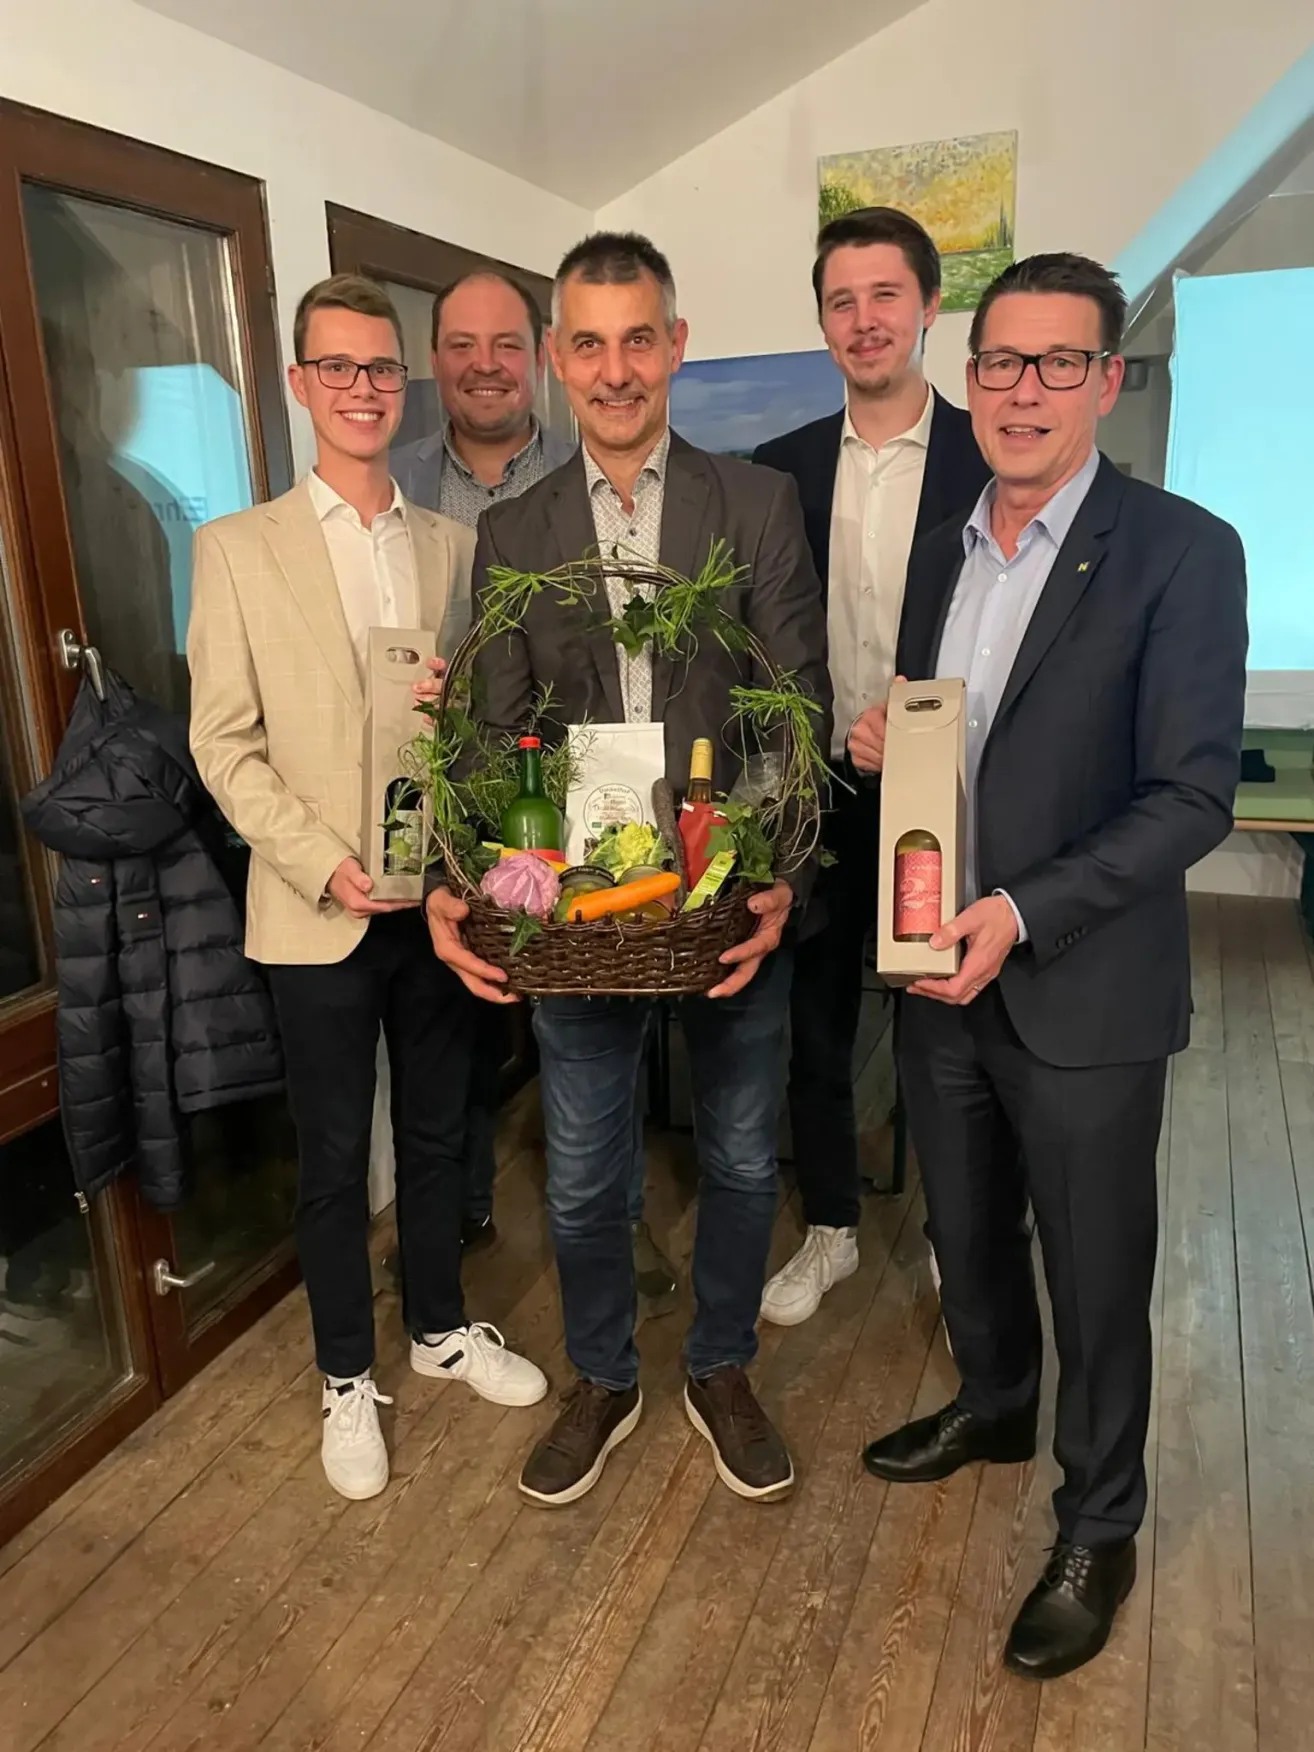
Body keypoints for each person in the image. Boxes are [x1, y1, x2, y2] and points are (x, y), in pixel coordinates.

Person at [859, 253, 1247, 1678]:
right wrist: (890, 747)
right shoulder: (940, 544)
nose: (1021, 393)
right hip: (930, 969)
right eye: (999, 363)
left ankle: (1099, 1521)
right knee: (963, 1231)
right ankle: (994, 1404)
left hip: (1075, 984)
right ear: (967, 380)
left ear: (1106, 379)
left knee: (1095, 1272)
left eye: (1056, 364)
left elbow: (1190, 797)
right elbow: (956, 737)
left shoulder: (1181, 551)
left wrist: (1022, 909)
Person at [425, 232, 832, 1507]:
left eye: (637, 338)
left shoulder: (755, 505)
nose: (614, 369)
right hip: (584, 926)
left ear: (676, 345)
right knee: (590, 1172)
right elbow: (494, 732)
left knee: (745, 1160)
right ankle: (604, 1374)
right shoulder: (513, 530)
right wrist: (495, 876)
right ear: (557, 360)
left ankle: (718, 1363)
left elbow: (795, 708)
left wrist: (777, 883)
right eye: (588, 344)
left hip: (720, 912)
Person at [188, 273, 547, 1503]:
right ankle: (348, 1371)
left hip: (437, 897)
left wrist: (470, 745)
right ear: (299, 385)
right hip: (316, 906)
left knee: (447, 1126)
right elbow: (222, 744)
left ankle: (440, 1326)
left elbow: (493, 729)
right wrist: (321, 860)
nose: (361, 389)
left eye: (380, 369)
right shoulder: (236, 551)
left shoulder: (458, 547)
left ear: (407, 384)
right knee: (337, 1156)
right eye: (336, 368)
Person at [392, 268, 676, 1305]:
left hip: (584, 808)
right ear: (437, 359)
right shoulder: (400, 482)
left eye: (505, 344)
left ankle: (617, 1224)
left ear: (538, 358)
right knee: (459, 1026)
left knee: (595, 1039)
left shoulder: (595, 468)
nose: (484, 365)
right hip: (455, 800)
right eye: (462, 345)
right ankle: (463, 1210)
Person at [752, 207, 988, 1327]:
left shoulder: (989, 457)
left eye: (885, 295)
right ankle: (833, 1229)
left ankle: (954, 1235)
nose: (864, 319)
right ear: (822, 321)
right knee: (815, 1024)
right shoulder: (779, 469)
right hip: (816, 790)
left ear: (932, 305)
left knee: (941, 1022)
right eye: (841, 300)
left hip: (943, 792)